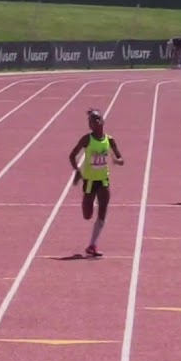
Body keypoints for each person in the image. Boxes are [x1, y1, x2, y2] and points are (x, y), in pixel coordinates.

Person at [68, 109, 124, 257]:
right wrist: (77, 171)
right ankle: (87, 202)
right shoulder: (87, 139)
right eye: (93, 120)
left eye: (98, 118)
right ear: (90, 125)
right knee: (87, 215)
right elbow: (72, 155)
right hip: (90, 181)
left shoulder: (110, 140)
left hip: (103, 180)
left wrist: (117, 160)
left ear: (103, 121)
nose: (96, 121)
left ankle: (92, 245)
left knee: (102, 212)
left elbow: (121, 159)